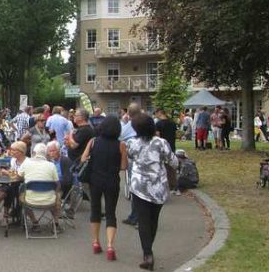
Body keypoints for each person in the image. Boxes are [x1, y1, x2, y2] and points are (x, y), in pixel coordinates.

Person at [126, 114, 179, 271]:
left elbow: (130, 159)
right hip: (158, 187)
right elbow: (174, 162)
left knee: (143, 220)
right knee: (153, 220)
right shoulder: (161, 143)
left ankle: (147, 253)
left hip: (139, 187)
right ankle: (148, 250)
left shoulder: (132, 144)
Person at [80, 116, 128, 261]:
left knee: (95, 210)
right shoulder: (121, 145)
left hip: (95, 180)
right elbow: (123, 166)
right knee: (110, 213)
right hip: (112, 181)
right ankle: (110, 246)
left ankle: (95, 242)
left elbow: (83, 159)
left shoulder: (93, 142)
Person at [18, 143, 62, 231]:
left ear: (33, 153)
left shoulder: (26, 163)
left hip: (30, 200)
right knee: (57, 196)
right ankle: (56, 223)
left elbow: (18, 176)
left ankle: (34, 222)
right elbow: (57, 184)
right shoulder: (51, 165)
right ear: (46, 154)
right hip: (49, 200)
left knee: (21, 195)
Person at [46, 141, 74, 216]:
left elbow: (68, 181)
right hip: (47, 187)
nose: (51, 153)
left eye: (53, 151)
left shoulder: (66, 161)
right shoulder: (47, 162)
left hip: (61, 188)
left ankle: (57, 219)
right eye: (50, 151)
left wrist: (56, 183)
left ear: (58, 150)